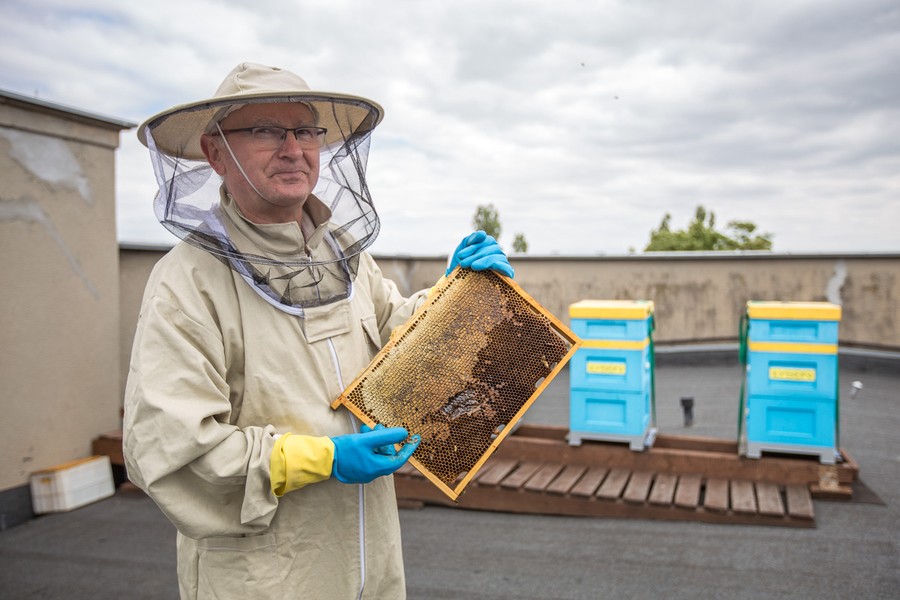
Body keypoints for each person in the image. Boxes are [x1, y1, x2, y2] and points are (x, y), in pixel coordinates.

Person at [122, 62, 514, 600]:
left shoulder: (343, 256)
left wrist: (454, 296)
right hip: (262, 578)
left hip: (370, 563)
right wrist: (323, 458)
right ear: (216, 153)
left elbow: (396, 340)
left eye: (305, 131)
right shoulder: (186, 284)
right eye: (265, 131)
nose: (292, 148)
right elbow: (173, 451)